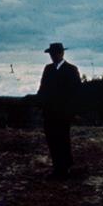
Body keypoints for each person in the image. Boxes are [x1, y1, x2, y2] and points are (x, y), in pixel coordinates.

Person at [37, 42, 81, 179]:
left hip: (63, 113)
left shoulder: (71, 70)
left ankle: (64, 168)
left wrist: (74, 112)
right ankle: (58, 168)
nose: (52, 56)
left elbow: (77, 92)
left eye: (55, 53)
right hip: (49, 112)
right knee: (52, 140)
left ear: (61, 53)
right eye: (51, 54)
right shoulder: (48, 69)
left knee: (62, 139)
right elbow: (42, 88)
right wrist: (40, 104)